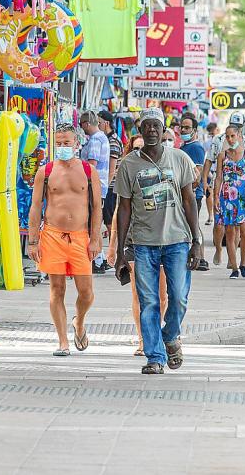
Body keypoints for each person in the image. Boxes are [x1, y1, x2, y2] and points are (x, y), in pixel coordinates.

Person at [114, 108, 202, 375]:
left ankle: (170, 335)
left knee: (179, 298)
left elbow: (189, 200)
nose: (152, 130)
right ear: (139, 130)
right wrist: (120, 251)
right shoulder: (128, 165)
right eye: (147, 126)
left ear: (164, 131)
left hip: (177, 240)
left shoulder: (179, 158)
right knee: (149, 302)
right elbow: (124, 208)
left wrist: (197, 240)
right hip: (143, 243)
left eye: (156, 126)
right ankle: (155, 356)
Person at [28, 123, 103, 356]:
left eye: (66, 142)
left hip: (80, 237)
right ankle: (63, 341)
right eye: (58, 142)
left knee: (86, 292)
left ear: (76, 143)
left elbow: (97, 207)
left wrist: (95, 238)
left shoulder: (89, 171)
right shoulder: (46, 171)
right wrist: (33, 240)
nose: (62, 146)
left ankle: (79, 321)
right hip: (52, 235)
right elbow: (35, 206)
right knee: (56, 288)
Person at [107, 135, 168, 356]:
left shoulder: (164, 170)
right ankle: (144, 340)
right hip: (134, 241)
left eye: (144, 147)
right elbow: (118, 212)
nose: (140, 152)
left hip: (162, 240)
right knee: (139, 295)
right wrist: (113, 246)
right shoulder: (127, 174)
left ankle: (156, 335)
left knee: (162, 296)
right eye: (135, 149)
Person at [202, 112, 245, 265]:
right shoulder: (218, 140)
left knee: (237, 228)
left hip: (241, 191)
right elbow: (209, 160)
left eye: (238, 127)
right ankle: (219, 249)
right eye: (233, 126)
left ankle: (233, 260)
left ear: (242, 128)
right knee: (219, 225)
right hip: (222, 187)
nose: (231, 138)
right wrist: (205, 181)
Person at [213, 125, 245, 279]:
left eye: (232, 136)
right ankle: (234, 267)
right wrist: (216, 197)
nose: (230, 139)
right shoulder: (222, 155)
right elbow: (218, 177)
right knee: (230, 233)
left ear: (239, 135)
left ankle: (243, 263)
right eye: (227, 136)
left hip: (244, 197)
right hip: (227, 197)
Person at [79, 111, 110, 274]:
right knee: (94, 221)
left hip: (93, 186)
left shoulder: (95, 140)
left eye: (81, 125)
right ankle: (99, 258)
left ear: (86, 124)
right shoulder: (102, 137)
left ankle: (96, 260)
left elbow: (91, 165)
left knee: (92, 222)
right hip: (99, 186)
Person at [179, 113, 209, 271]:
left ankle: (201, 258)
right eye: (182, 127)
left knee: (194, 225)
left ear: (195, 130)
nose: (183, 130)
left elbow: (197, 174)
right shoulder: (184, 147)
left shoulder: (196, 147)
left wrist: (189, 191)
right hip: (184, 194)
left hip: (192, 195)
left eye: (187, 127)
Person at [99, 110, 123, 244]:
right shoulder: (107, 139)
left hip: (110, 187)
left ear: (106, 123)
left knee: (110, 221)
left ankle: (114, 249)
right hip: (108, 187)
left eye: (99, 122)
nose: (98, 125)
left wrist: (104, 190)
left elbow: (111, 170)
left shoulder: (112, 141)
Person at [202, 122, 219, 224]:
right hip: (211, 171)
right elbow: (205, 160)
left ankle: (214, 216)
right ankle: (211, 216)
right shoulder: (207, 143)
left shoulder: (222, 141)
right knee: (210, 194)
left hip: (217, 171)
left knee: (215, 194)